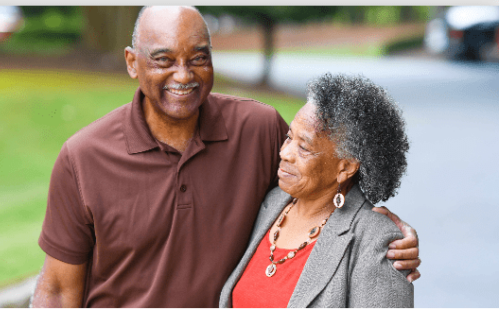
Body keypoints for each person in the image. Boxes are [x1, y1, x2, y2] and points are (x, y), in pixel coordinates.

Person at [31, 6, 420, 308]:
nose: (184, 76)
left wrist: (381, 228)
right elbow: (57, 290)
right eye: (164, 60)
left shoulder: (259, 129)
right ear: (133, 62)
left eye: (198, 58)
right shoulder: (83, 157)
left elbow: (321, 177)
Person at [220, 73, 414, 308]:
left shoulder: (376, 242)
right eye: (289, 137)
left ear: (346, 167)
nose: (285, 153)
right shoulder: (269, 203)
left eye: (304, 147)